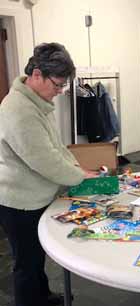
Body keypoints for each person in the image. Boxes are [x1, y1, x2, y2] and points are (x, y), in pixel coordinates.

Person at [0, 43, 97, 306]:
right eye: (57, 85)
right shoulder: (19, 110)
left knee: (35, 256)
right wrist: (79, 177)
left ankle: (41, 296)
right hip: (19, 201)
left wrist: (78, 169)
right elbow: (45, 161)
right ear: (36, 74)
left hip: (36, 194)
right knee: (26, 263)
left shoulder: (37, 101)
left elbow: (57, 148)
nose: (59, 91)